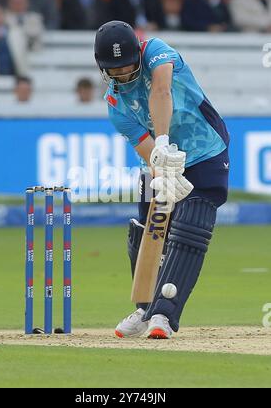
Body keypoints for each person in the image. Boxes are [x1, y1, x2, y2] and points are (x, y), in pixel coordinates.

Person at [94, 21, 230, 339]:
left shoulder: (156, 51)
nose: (125, 76)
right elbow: (146, 147)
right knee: (147, 223)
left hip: (206, 149)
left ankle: (164, 316)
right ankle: (145, 309)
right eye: (116, 71)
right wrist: (162, 167)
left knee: (191, 223)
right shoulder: (115, 105)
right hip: (163, 158)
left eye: (129, 67)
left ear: (138, 55)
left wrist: (165, 140)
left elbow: (160, 90)